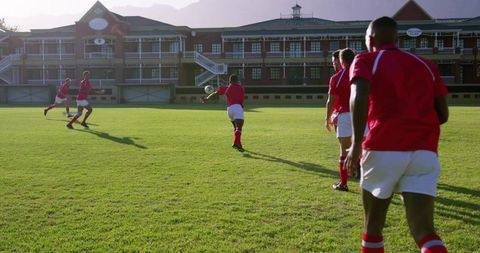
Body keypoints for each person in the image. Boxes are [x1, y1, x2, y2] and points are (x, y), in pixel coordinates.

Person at [345, 16, 449, 253]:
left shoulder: (366, 58)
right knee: (424, 230)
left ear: (370, 38)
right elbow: (442, 113)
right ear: (396, 37)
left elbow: (358, 97)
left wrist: (356, 143)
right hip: (424, 152)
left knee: (373, 226)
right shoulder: (425, 64)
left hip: (383, 147)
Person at [326, 48, 356, 191]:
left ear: (341, 60)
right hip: (362, 116)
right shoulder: (362, 73)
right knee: (364, 149)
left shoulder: (336, 78)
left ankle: (343, 183)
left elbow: (330, 101)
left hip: (344, 115)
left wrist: (327, 118)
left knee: (344, 150)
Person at [203, 74, 245, 152]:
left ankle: (235, 143)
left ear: (230, 81)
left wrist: (207, 98)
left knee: (235, 128)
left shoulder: (227, 88)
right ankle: (238, 144)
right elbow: (241, 99)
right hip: (237, 108)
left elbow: (216, 93)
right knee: (239, 128)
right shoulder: (240, 87)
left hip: (229, 109)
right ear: (237, 81)